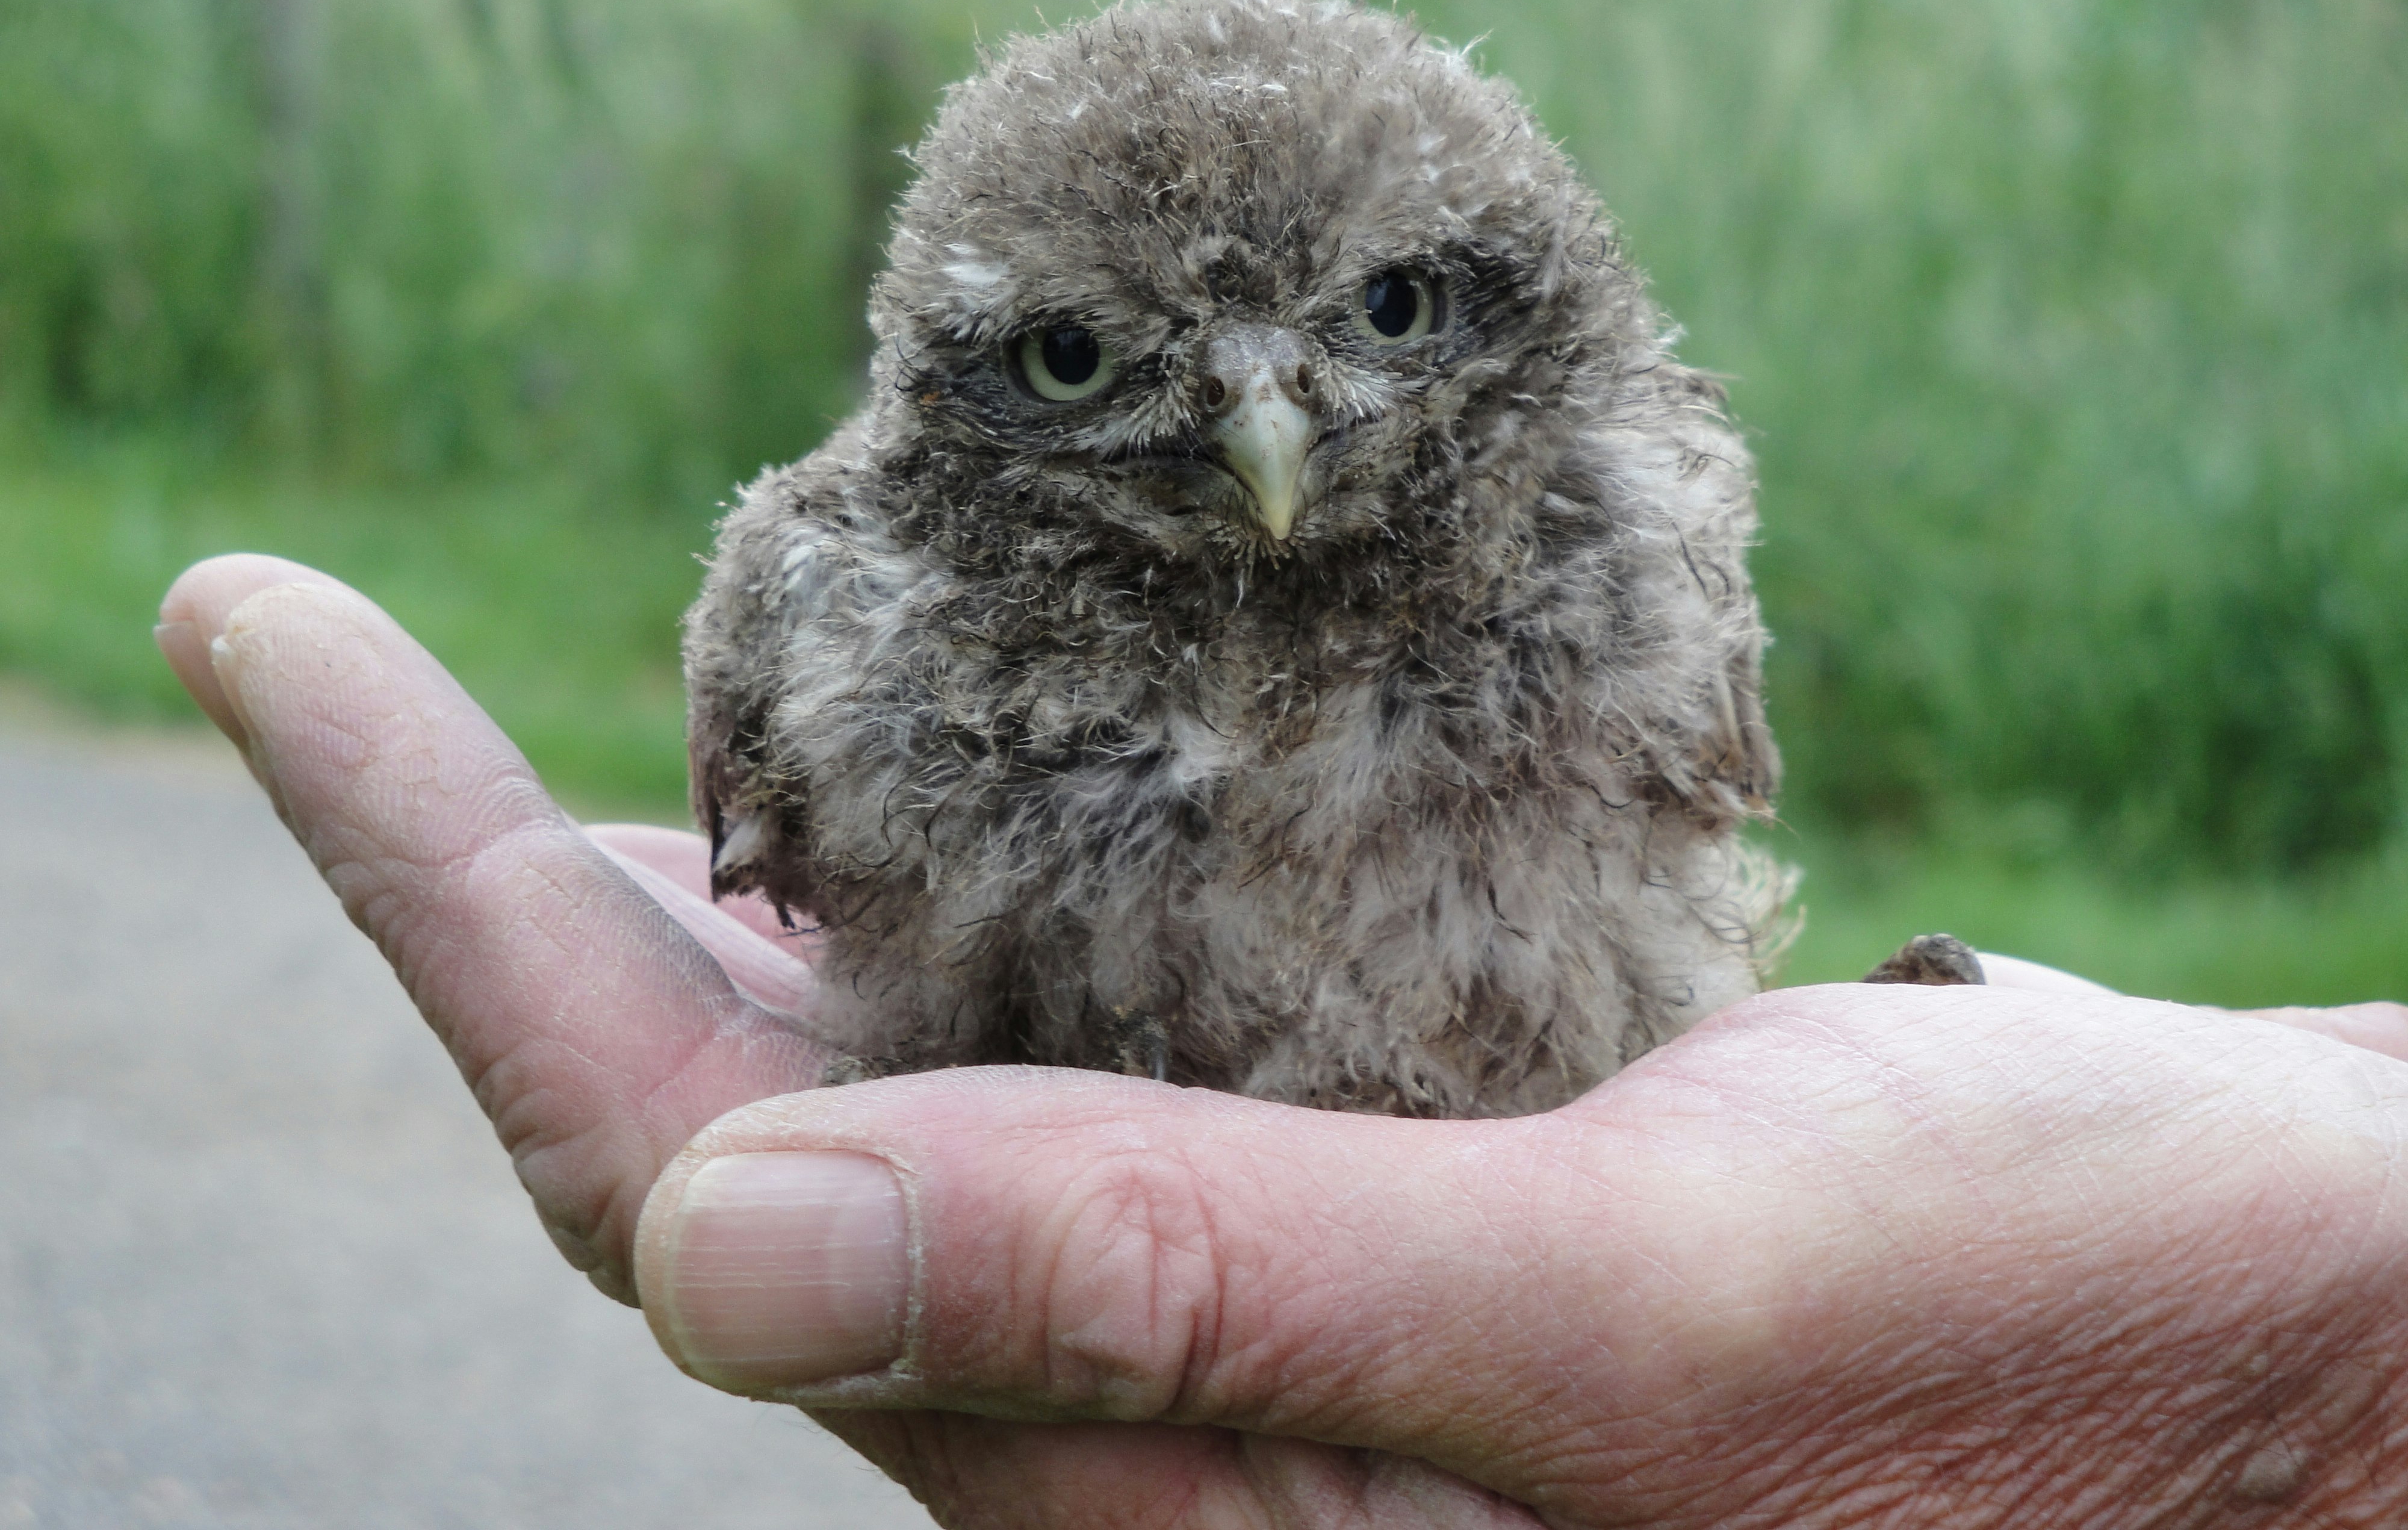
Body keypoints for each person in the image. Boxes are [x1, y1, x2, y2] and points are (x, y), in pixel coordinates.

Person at [155, 553, 2408, 1526]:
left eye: (1393, 321)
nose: (1265, 431)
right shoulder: (839, 593)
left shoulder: (1624, 534)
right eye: (1078, 359)